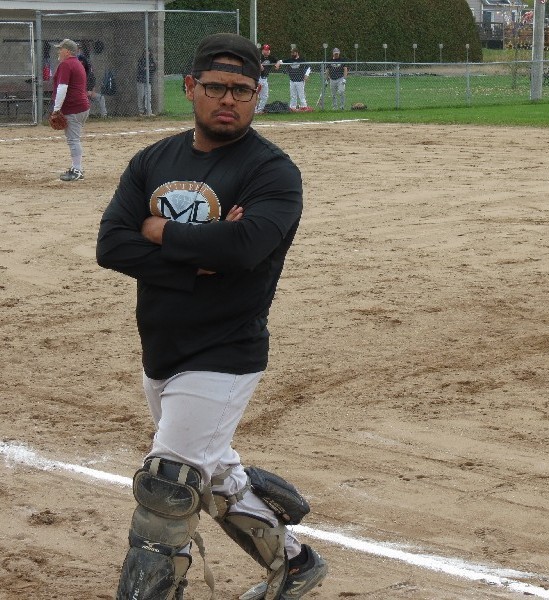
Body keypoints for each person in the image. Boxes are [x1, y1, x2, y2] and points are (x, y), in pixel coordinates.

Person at [96, 32, 328, 600]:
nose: (229, 99)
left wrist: (160, 231)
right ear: (191, 87)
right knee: (217, 477)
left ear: (257, 94)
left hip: (225, 351)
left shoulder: (272, 171)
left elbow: (244, 249)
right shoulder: (153, 160)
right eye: (217, 86)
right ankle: (296, 564)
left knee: (168, 483)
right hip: (161, 346)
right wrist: (198, 256)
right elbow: (112, 244)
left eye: (243, 90)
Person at [51, 38, 90, 182]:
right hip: (81, 107)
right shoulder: (77, 63)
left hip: (73, 108)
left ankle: (77, 170)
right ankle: (76, 168)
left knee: (73, 140)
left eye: (61, 49)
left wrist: (56, 109)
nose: (58, 51)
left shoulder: (66, 64)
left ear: (67, 51)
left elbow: (62, 88)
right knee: (74, 138)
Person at [77, 47, 107, 118]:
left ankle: (104, 116)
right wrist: (84, 92)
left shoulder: (88, 68)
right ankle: (84, 116)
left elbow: (93, 79)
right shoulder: (75, 67)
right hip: (79, 92)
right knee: (84, 100)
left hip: (88, 91)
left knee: (101, 98)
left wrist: (92, 91)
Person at [256, 44, 282, 113]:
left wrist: (277, 64)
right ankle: (254, 110)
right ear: (262, 50)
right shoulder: (259, 57)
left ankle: (259, 110)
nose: (267, 51)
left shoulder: (271, 58)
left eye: (268, 50)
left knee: (265, 96)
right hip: (258, 78)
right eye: (265, 50)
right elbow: (253, 60)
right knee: (256, 95)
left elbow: (278, 60)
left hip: (265, 79)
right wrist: (259, 64)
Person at [284, 47, 310, 111]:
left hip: (300, 81)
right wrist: (278, 63)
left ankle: (304, 107)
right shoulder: (290, 60)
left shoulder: (302, 60)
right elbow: (281, 61)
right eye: (291, 53)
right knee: (293, 95)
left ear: (297, 53)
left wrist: (306, 75)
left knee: (301, 95)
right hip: (292, 81)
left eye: (293, 52)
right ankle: (293, 107)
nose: (292, 54)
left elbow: (309, 67)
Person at [137, 50, 157, 115]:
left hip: (148, 81)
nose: (147, 53)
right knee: (141, 95)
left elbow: (154, 68)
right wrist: (147, 68)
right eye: (145, 52)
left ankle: (149, 111)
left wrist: (147, 68)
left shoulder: (151, 60)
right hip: (141, 80)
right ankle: (141, 111)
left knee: (148, 96)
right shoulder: (141, 60)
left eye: (148, 51)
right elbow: (141, 69)